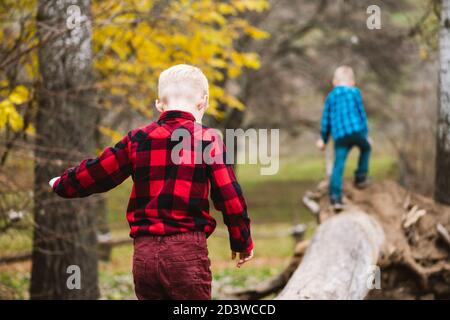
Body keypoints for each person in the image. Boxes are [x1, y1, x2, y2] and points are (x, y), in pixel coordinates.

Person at [49, 64, 254, 299]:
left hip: (144, 255)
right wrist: (242, 241)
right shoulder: (207, 139)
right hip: (185, 253)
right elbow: (230, 197)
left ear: (159, 103)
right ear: (203, 102)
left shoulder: (138, 139)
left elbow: (99, 172)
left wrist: (63, 183)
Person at [316, 65, 371, 211]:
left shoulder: (331, 97)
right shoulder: (355, 92)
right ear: (352, 82)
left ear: (334, 82)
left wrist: (323, 139)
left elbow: (325, 120)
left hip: (340, 136)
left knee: (338, 165)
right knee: (366, 148)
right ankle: (361, 176)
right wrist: (366, 135)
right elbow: (361, 115)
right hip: (356, 131)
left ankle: (335, 198)